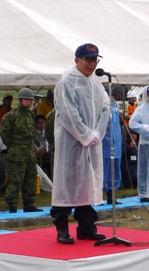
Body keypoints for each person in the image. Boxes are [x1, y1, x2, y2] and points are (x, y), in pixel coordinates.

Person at [50, 43, 110, 245]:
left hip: (93, 142)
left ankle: (86, 227)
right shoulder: (67, 83)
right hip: (72, 142)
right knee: (67, 182)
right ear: (77, 60)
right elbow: (69, 114)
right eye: (88, 60)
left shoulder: (96, 84)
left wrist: (97, 133)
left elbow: (105, 109)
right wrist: (85, 134)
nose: (92, 64)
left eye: (95, 60)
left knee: (87, 183)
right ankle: (62, 228)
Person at [1, 87, 43, 213]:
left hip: (29, 151)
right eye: (25, 100)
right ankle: (12, 204)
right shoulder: (11, 115)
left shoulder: (31, 114)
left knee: (30, 178)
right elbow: (4, 133)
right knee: (16, 179)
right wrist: (14, 146)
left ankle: (29, 203)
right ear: (20, 100)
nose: (28, 102)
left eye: (30, 100)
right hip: (17, 152)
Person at [102, 88, 122, 205]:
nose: (110, 96)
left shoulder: (114, 107)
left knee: (115, 171)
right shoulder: (101, 107)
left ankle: (112, 195)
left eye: (111, 94)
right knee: (104, 170)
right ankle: (98, 196)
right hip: (105, 144)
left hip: (117, 144)